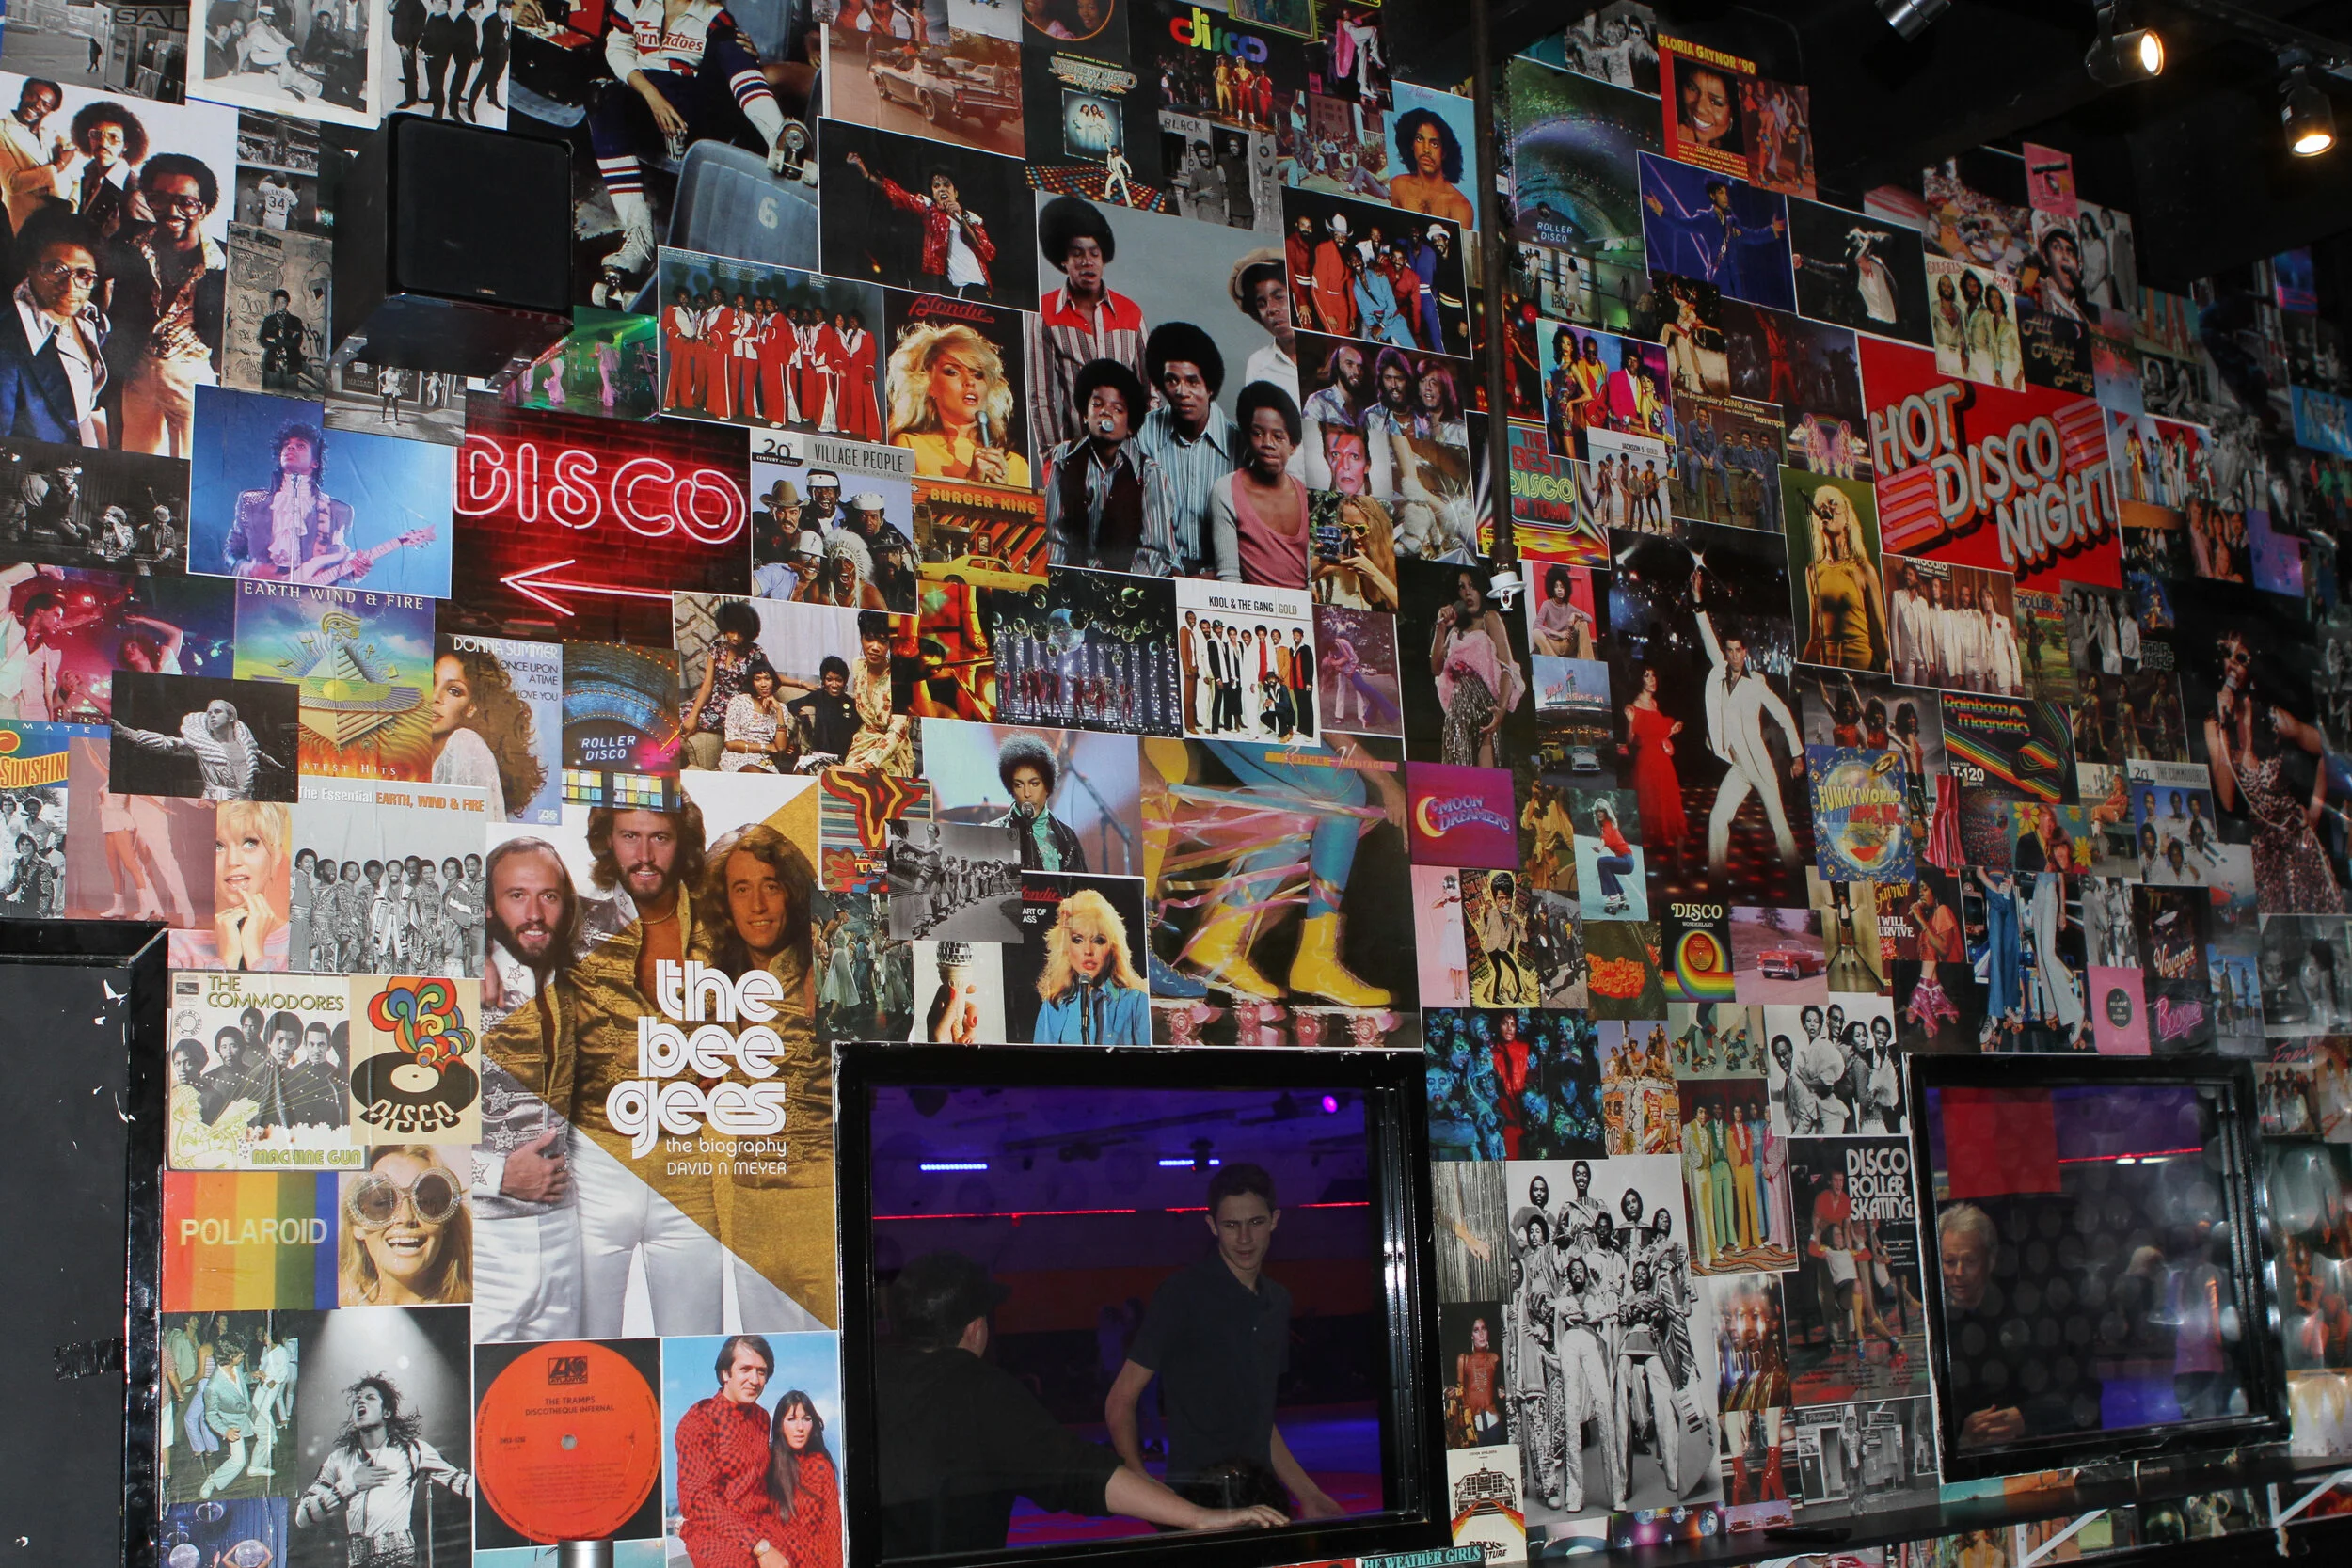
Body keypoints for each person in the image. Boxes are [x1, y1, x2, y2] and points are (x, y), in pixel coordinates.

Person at [483, 803, 726, 1336]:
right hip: (595, 1161)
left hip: (687, 1163)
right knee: (590, 1347)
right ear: (607, 842)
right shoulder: (578, 918)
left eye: (660, 837)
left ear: (682, 842)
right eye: (629, 836)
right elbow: (517, 919)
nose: (644, 855)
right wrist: (476, 947)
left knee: (696, 1340)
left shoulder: (719, 923)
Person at [878, 1250, 1284, 1553]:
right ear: (977, 1328)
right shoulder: (978, 1389)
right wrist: (1199, 1517)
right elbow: (1078, 1473)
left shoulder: (861, 1381)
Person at [1107, 1164, 1343, 1516]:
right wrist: (1139, 1482)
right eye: (1232, 1225)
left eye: (1256, 1222)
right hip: (1197, 1500)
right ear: (1212, 1225)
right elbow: (1120, 1400)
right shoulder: (1182, 1294)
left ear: (1275, 1220)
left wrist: (1309, 1493)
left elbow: (1259, 1421)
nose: (1244, 1238)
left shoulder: (1277, 1301)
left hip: (1260, 1496)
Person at [589, 0, 805, 280]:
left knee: (730, 43)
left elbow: (729, 68)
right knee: (600, 95)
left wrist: (741, 54)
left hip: (693, 111)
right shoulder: (635, 2)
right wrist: (652, 96)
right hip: (646, 103)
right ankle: (639, 239)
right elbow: (617, 48)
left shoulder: (715, 16)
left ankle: (779, 137)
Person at [470, 838, 582, 1338]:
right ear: (488, 908)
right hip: (480, 1239)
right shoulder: (454, 985)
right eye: (516, 896)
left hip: (564, 1233)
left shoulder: (572, 982)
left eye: (548, 896)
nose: (535, 914)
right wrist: (497, 1175)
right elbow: (391, 1133)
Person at [101, 150, 224, 458]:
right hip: (137, 373)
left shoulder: (226, 262)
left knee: (187, 466)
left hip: (192, 378)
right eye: (159, 199)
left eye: (186, 202)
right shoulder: (130, 245)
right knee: (134, 461)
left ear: (204, 208)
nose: (172, 211)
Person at [294, 1374, 473, 1563]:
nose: (360, 1401)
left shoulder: (412, 1450)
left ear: (386, 1412)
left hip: (399, 1560)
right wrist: (349, 1485)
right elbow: (302, 1518)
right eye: (356, 1400)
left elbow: (465, 1485)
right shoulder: (338, 1459)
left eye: (370, 1397)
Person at [1692, 570, 1803, 875]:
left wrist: (1797, 755)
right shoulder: (1719, 673)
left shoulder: (1757, 683)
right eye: (1729, 650)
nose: (1733, 656)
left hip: (1761, 766)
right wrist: (1698, 599)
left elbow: (1783, 714)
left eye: (1738, 650)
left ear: (1746, 652)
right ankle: (1716, 882)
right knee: (1717, 818)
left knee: (1779, 824)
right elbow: (1707, 636)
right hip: (1739, 767)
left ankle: (1796, 876)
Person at [1028, 195, 1146, 455]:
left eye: (1094, 253)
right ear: (1063, 260)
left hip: (1127, 455)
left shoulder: (1131, 312)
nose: (1087, 262)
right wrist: (1050, 457)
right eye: (1077, 253)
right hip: (1076, 453)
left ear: (1104, 258)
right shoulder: (1045, 312)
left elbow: (1152, 393)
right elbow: (1041, 396)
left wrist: (1143, 450)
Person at [1044, 357, 1174, 576]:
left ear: (1130, 426)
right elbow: (1054, 536)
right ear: (1084, 415)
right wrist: (1059, 579)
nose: (1106, 412)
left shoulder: (1150, 474)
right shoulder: (1063, 457)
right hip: (1073, 584)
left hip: (1128, 587)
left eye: (1118, 409)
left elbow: (1156, 553)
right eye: (1097, 404)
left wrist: (1123, 587)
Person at [674, 1335, 792, 1568]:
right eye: (745, 1369)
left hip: (762, 1524)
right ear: (725, 1373)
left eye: (761, 1372)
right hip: (716, 1531)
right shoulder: (699, 1420)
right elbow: (702, 1500)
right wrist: (759, 1546)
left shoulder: (762, 1418)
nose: (754, 1380)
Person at [1130, 322, 1237, 577]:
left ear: (1210, 387)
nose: (1181, 392)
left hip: (1222, 577)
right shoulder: (1142, 434)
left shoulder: (1239, 445)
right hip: (1158, 573)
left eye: (1192, 381)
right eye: (1172, 380)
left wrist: (1216, 576)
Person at [0, 214, 109, 447]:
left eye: (84, 275)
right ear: (30, 267)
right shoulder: (7, 340)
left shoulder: (90, 320)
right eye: (56, 270)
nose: (70, 287)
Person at [885, 319, 1027, 486]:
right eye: (952, 372)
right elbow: (901, 502)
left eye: (978, 375)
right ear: (929, 384)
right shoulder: (910, 447)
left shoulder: (1016, 465)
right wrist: (972, 484)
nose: (970, 382)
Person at [845, 152, 997, 300]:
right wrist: (866, 174)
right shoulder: (930, 210)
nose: (942, 189)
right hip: (959, 290)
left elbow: (988, 253)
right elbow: (900, 195)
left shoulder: (971, 218)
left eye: (946, 185)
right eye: (936, 186)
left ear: (955, 192)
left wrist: (961, 219)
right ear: (933, 193)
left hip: (983, 289)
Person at [338, 1144, 473, 1305]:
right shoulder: (332, 1303)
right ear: (357, 1224)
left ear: (446, 1222)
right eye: (382, 1203)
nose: (406, 1217)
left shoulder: (481, 1308)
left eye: (426, 1202)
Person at [221, 420, 353, 579]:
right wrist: (247, 569)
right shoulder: (250, 501)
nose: (290, 447)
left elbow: (333, 564)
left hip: (310, 593)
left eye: (301, 445)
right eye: (286, 445)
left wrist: (354, 569)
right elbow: (231, 551)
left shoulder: (337, 510)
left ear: (315, 462)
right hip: (259, 591)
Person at [427, 642, 545, 823]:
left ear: (471, 708)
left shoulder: (465, 743)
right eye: (430, 683)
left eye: (454, 691)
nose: (435, 697)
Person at [1208, 382, 1309, 588]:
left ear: (1293, 446)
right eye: (1258, 433)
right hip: (1254, 604)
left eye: (1278, 436)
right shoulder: (1225, 490)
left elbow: (1312, 581)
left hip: (1303, 604)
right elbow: (1229, 577)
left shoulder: (1306, 495)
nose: (1267, 443)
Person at [1429, 566, 1524, 768]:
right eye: (1461, 587)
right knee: (1458, 769)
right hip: (1457, 711)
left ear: (1481, 589)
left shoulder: (1490, 618)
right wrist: (1441, 626)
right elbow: (1436, 668)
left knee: (1486, 774)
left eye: (1472, 586)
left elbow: (1507, 668)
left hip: (1485, 708)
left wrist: (1501, 710)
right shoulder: (1455, 630)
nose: (1467, 592)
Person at [1030, 886, 1149, 1045]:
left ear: (1113, 948)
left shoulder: (1137, 1002)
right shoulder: (1052, 1007)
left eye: (1098, 940)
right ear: (1066, 947)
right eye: (1078, 940)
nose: (1088, 951)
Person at [117, 698, 284, 800]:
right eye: (209, 713)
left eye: (217, 712)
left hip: (247, 804)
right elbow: (169, 744)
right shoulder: (202, 746)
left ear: (231, 717)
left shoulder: (246, 745)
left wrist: (270, 762)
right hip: (216, 802)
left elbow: (257, 756)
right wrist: (128, 733)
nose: (211, 716)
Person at [1798, 482, 1887, 672]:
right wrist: (1801, 672)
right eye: (1820, 505)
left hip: (1861, 670)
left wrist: (1889, 666)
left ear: (1847, 517)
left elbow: (1880, 634)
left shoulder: (1863, 570)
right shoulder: (1812, 571)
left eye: (1832, 503)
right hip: (1829, 672)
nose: (1825, 508)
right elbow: (1814, 638)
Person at [767, 1388, 842, 1568]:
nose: (799, 1427)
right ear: (779, 1425)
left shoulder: (821, 1467)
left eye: (806, 1419)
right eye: (791, 1419)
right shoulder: (767, 1465)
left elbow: (832, 1529)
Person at [995, 732, 1086, 871]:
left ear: (1047, 786)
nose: (1027, 793)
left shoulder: (1067, 837)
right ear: (1011, 788)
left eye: (1034, 784)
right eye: (1019, 785)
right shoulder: (997, 832)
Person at [1389, 108, 1471, 224]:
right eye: (1419, 139)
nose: (1426, 149)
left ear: (1444, 152)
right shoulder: (1397, 186)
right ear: (1411, 145)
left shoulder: (1460, 205)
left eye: (1434, 144)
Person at [257, 287, 307, 392]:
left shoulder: (296, 321)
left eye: (283, 302)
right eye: (277, 301)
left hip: (291, 363)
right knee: (272, 393)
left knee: (291, 394)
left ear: (287, 303)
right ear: (274, 302)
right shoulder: (268, 320)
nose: (280, 304)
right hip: (273, 364)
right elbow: (263, 341)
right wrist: (286, 341)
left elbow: (297, 343)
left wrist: (275, 340)